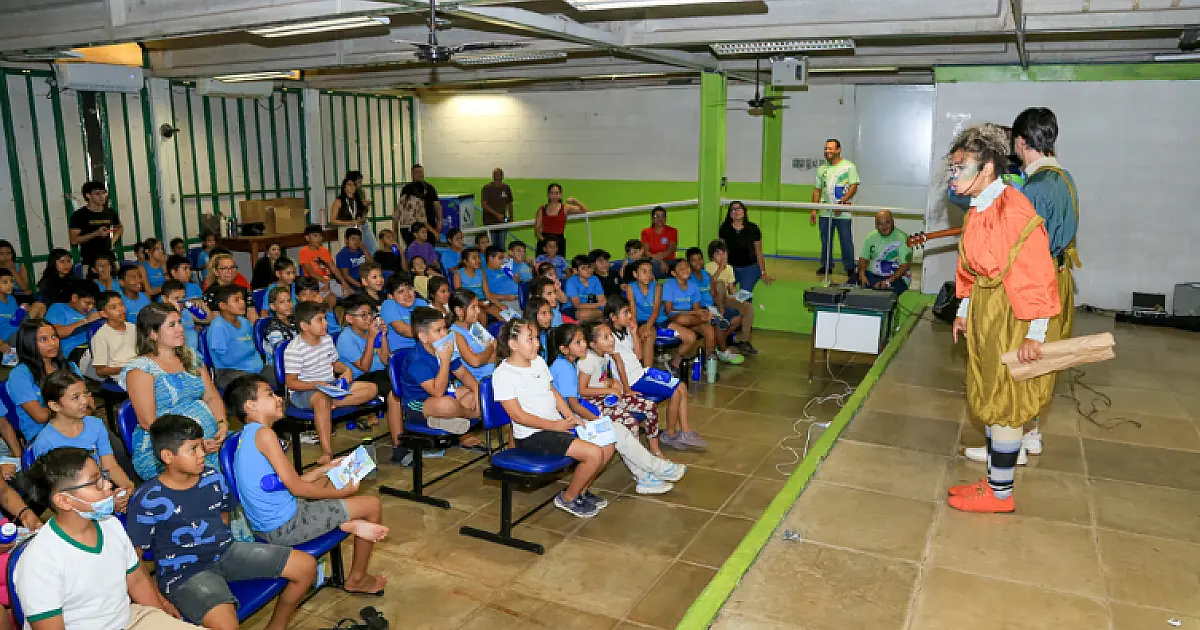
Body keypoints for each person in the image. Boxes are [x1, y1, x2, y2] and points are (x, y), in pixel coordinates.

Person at [945, 123, 1061, 514]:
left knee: (1007, 400)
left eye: (961, 167)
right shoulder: (979, 207)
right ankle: (996, 479)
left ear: (988, 169)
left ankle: (1000, 494)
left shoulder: (1012, 208)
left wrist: (1037, 332)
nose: (953, 176)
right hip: (987, 310)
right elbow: (970, 266)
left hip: (1015, 313)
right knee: (990, 393)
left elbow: (1036, 271)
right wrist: (963, 310)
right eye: (951, 167)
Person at [127, 415, 317, 630]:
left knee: (306, 567)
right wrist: (157, 600)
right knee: (227, 625)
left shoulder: (212, 476)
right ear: (167, 456)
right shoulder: (148, 499)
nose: (202, 455)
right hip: (184, 571)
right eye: (193, 449)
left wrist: (220, 542)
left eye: (201, 446)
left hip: (226, 551)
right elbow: (134, 558)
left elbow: (223, 514)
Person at [226, 375, 389, 596]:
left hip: (271, 521)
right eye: (269, 394)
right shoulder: (265, 435)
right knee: (371, 505)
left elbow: (283, 483)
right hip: (286, 526)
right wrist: (342, 492)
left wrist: (323, 469)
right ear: (251, 405)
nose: (278, 398)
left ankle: (345, 522)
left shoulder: (247, 436)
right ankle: (357, 579)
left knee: (329, 478)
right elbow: (297, 489)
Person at [15, 448, 199, 630]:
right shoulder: (39, 561)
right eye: (96, 482)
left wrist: (161, 616)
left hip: (128, 618)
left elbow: (136, 580)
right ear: (64, 501)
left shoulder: (110, 524)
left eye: (103, 476)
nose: (108, 485)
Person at [492, 318, 613, 518]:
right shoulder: (503, 374)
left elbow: (552, 390)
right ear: (513, 345)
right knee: (593, 454)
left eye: (536, 338)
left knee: (607, 445)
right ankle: (567, 498)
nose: (537, 344)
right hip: (533, 435)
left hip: (555, 425)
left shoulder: (538, 361)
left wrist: (568, 415)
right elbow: (518, 416)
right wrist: (555, 425)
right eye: (529, 339)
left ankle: (580, 491)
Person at [552, 323, 685, 495]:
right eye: (578, 343)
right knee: (622, 428)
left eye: (583, 340)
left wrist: (612, 383)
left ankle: (649, 472)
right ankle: (651, 472)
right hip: (570, 420)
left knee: (621, 430)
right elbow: (574, 402)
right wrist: (598, 419)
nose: (584, 345)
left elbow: (578, 396)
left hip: (578, 413)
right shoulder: (566, 367)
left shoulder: (570, 363)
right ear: (564, 349)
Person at [121, 302, 228, 481]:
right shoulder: (141, 369)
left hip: (208, 443)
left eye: (179, 322)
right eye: (172, 325)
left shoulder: (191, 357)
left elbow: (211, 396)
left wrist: (222, 424)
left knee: (245, 453)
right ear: (152, 333)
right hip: (166, 450)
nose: (180, 329)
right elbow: (150, 422)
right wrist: (196, 444)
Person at [284, 302, 379, 465]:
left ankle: (331, 402)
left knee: (371, 388)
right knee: (321, 399)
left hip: (329, 385)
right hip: (305, 391)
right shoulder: (294, 349)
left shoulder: (326, 339)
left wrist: (346, 370)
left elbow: (335, 363)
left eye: (325, 319)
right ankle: (327, 451)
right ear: (305, 326)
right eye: (320, 320)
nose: (325, 323)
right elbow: (291, 383)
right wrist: (315, 384)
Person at [604, 297, 705, 450]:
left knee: (681, 386)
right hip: (633, 380)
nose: (630, 316)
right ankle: (670, 435)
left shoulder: (625, 331)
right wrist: (627, 389)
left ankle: (685, 431)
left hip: (642, 372)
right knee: (675, 392)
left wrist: (634, 333)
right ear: (613, 317)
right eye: (626, 313)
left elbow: (638, 356)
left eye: (630, 312)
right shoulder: (609, 338)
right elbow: (619, 366)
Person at [29, 369, 137, 501]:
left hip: (102, 488)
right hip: (75, 501)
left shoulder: (95, 424)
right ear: (55, 406)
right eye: (76, 397)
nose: (85, 401)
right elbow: (57, 492)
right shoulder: (45, 443)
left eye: (85, 393)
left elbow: (109, 465)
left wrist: (128, 487)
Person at [398, 308, 485, 447]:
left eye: (445, 328)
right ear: (423, 337)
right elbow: (437, 392)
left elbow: (462, 373)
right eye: (438, 331)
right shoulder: (417, 360)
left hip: (447, 396)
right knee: (447, 404)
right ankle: (467, 415)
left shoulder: (443, 348)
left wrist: (476, 391)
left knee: (480, 395)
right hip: (419, 406)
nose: (444, 333)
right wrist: (445, 360)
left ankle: (447, 421)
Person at [335, 294, 403, 445]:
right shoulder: (346, 338)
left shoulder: (370, 332)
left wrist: (383, 336)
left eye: (370, 314)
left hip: (379, 373)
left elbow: (386, 360)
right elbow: (365, 367)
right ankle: (399, 444)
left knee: (406, 378)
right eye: (363, 316)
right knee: (393, 392)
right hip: (362, 378)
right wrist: (372, 339)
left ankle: (409, 429)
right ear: (349, 318)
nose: (368, 319)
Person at [8, 319, 83, 442]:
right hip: (43, 435)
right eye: (43, 339)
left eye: (54, 337)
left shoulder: (69, 366)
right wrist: (74, 408)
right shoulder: (20, 375)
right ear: (29, 343)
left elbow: (90, 403)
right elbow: (40, 416)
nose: (53, 343)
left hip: (77, 425)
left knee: (112, 447)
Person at [686, 247, 746, 364]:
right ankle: (724, 351)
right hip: (700, 309)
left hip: (713, 306)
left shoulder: (707, 275)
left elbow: (714, 294)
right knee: (719, 323)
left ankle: (719, 343)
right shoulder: (689, 278)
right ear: (689, 262)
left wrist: (720, 307)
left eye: (700, 259)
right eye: (694, 260)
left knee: (737, 319)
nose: (698, 263)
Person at [207, 284, 273, 390]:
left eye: (242, 299)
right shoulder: (218, 327)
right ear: (223, 305)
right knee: (256, 386)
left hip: (255, 369)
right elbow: (226, 360)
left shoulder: (244, 322)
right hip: (229, 372)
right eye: (236, 300)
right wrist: (248, 356)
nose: (242, 303)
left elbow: (253, 347)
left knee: (282, 374)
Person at [810, 139, 860, 278]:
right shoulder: (822, 169)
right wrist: (814, 209)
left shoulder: (849, 167)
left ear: (838, 150)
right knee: (826, 239)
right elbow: (817, 190)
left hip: (843, 212)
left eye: (830, 148)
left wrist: (841, 204)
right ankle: (826, 265)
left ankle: (850, 267)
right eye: (826, 148)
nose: (827, 151)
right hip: (825, 212)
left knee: (845, 239)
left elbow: (853, 186)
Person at [719, 201, 775, 295]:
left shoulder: (753, 229)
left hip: (750, 268)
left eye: (739, 208)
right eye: (733, 209)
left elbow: (759, 253)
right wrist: (722, 268)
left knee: (744, 295)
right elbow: (722, 252)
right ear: (730, 214)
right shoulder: (725, 229)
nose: (736, 211)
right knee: (724, 291)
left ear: (744, 211)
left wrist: (763, 273)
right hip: (731, 267)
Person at [69, 181, 123, 271]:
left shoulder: (110, 212)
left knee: (116, 282)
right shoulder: (79, 215)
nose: (102, 196)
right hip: (90, 261)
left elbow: (119, 227)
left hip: (110, 258)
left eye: (104, 193)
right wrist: (96, 234)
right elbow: (74, 240)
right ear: (88, 196)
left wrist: (112, 241)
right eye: (97, 194)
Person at [44, 279, 101, 363]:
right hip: (72, 356)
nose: (91, 307)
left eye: (93, 304)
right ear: (74, 298)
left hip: (95, 350)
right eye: (87, 303)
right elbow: (55, 333)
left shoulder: (94, 312)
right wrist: (85, 321)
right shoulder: (58, 308)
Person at [856, 210, 912, 293]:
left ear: (893, 222)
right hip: (873, 275)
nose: (884, 226)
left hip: (896, 278)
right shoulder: (870, 237)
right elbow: (863, 259)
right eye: (880, 224)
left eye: (887, 222)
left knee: (889, 294)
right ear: (876, 225)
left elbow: (905, 266)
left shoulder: (903, 238)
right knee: (854, 286)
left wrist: (888, 282)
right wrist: (862, 275)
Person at [449, 288, 496, 386]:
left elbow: (496, 345)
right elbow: (475, 362)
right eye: (473, 307)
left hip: (494, 374)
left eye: (478, 306)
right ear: (459, 311)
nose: (478, 311)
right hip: (479, 382)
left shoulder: (475, 325)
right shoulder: (455, 334)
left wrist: (483, 356)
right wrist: (489, 349)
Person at [90, 291, 137, 380]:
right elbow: (100, 371)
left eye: (121, 304)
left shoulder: (133, 327)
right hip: (122, 375)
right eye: (113, 307)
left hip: (139, 369)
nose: (120, 309)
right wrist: (127, 368)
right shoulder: (101, 336)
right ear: (104, 313)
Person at [534, 183, 589, 257]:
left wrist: (575, 201)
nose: (554, 196)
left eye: (556, 193)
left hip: (559, 241)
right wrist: (544, 242)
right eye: (551, 193)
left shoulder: (566, 208)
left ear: (560, 195)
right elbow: (537, 229)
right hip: (544, 240)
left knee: (559, 267)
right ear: (548, 195)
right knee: (542, 267)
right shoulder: (541, 209)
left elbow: (586, 211)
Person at [203, 253, 259, 323]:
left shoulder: (243, 290)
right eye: (224, 268)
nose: (230, 271)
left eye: (233, 267)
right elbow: (217, 321)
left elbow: (252, 316)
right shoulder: (211, 293)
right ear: (216, 272)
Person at [298, 225, 347, 303]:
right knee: (331, 299)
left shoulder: (324, 251)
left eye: (320, 236)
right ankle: (328, 315)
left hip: (329, 281)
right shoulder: (304, 252)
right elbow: (311, 273)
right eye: (315, 236)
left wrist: (344, 282)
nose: (319, 239)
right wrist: (325, 281)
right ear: (307, 238)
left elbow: (334, 268)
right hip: (315, 283)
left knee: (350, 294)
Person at [163, 279, 210, 351]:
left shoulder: (186, 312)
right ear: (165, 299)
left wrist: (200, 302)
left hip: (196, 354)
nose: (181, 302)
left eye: (183, 297)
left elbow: (209, 320)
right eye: (176, 298)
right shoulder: (163, 318)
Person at [399, 164, 442, 239]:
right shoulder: (407, 189)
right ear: (412, 175)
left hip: (429, 223)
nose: (420, 174)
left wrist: (439, 222)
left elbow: (437, 206)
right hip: (413, 228)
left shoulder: (430, 188)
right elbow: (399, 212)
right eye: (417, 172)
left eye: (421, 172)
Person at [262, 285, 295, 371]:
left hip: (295, 363)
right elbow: (282, 354)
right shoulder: (273, 329)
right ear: (272, 306)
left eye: (289, 301)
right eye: (282, 302)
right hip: (277, 368)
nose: (287, 305)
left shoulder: (294, 322)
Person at [564, 254, 606, 323]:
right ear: (575, 271)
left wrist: (600, 306)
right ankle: (599, 317)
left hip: (592, 308)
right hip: (572, 308)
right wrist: (598, 305)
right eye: (584, 268)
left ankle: (597, 318)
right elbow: (577, 305)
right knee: (582, 315)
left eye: (589, 267)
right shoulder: (571, 282)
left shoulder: (595, 279)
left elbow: (602, 300)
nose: (588, 270)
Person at [640, 206, 678, 278]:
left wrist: (661, 260)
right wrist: (661, 261)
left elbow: (670, 250)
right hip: (652, 262)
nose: (660, 219)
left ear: (665, 218)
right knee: (650, 266)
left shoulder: (672, 231)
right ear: (652, 218)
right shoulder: (645, 232)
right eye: (656, 216)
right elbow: (646, 252)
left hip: (669, 262)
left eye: (662, 216)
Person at [483, 245, 521, 313]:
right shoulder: (484, 274)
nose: (503, 261)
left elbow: (516, 282)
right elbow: (487, 295)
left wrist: (517, 279)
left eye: (503, 258)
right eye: (500, 258)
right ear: (490, 258)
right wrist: (506, 297)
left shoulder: (504, 269)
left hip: (520, 296)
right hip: (506, 301)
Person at [336, 227, 370, 292]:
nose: (356, 242)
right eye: (353, 239)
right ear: (346, 240)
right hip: (352, 283)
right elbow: (346, 276)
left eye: (359, 240)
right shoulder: (343, 255)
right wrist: (361, 286)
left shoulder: (361, 250)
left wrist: (364, 249)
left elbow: (371, 264)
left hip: (364, 279)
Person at [0, 269, 19, 353]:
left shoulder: (11, 298)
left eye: (11, 281)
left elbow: (16, 319)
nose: (10, 285)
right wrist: (2, 344)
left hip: (18, 330)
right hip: (7, 338)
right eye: (5, 282)